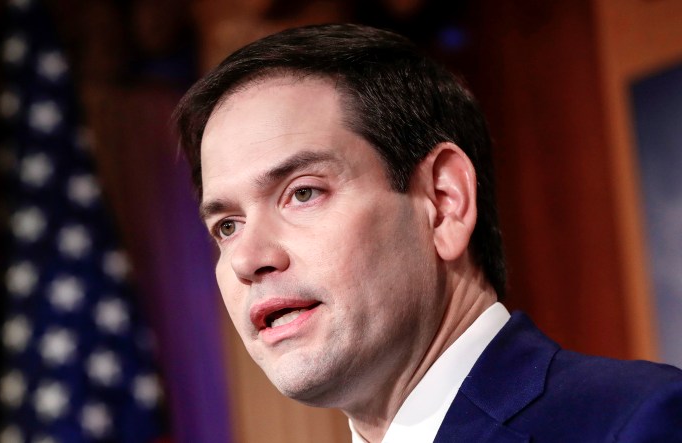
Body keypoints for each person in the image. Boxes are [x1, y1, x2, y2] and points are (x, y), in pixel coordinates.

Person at [174, 24, 682, 442]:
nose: (246, 259)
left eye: (302, 192)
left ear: (443, 202)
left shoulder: (637, 423)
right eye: (227, 225)